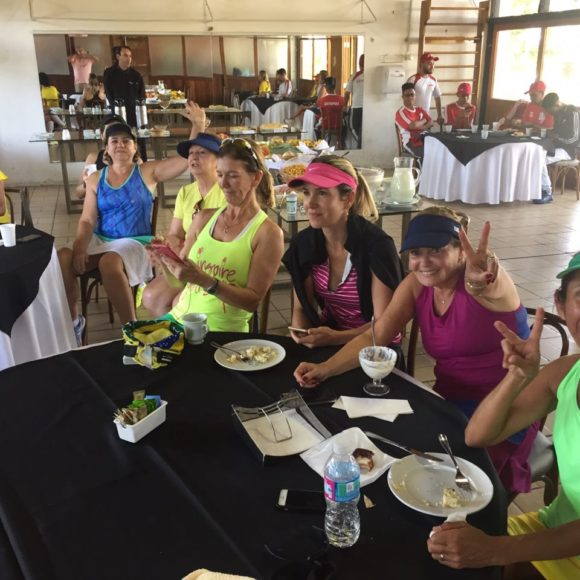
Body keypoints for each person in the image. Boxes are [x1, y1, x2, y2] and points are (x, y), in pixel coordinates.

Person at [294, 207, 538, 494]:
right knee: (396, 453)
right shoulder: (416, 285)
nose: (423, 262)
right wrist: (324, 369)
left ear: (461, 251)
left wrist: (477, 280)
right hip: (448, 402)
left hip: (506, 409)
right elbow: (376, 335)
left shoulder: (486, 282)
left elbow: (485, 284)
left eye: (435, 250)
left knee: (452, 483)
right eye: (415, 252)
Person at [427, 252, 580, 578]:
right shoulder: (566, 372)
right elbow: (477, 435)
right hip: (554, 530)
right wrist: (516, 377)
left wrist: (493, 550)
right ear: (561, 305)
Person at [58, 102, 206, 345]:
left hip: (136, 243)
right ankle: (75, 322)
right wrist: (80, 247)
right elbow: (87, 219)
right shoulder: (95, 179)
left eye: (126, 141)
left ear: (135, 147)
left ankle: (131, 329)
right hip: (103, 240)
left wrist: (197, 126)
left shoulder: (147, 172)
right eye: (114, 141)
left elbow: (183, 160)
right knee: (63, 256)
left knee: (109, 261)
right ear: (106, 149)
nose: (120, 145)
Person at [153, 138, 284, 332]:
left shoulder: (267, 233)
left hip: (221, 331)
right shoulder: (204, 218)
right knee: (130, 345)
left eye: (233, 176)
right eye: (220, 174)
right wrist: (164, 260)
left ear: (256, 178)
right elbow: (180, 281)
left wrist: (205, 281)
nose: (223, 184)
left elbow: (252, 302)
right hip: (181, 319)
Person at [282, 156, 404, 353]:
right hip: (328, 339)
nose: (310, 203)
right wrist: (302, 334)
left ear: (347, 199)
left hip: (376, 347)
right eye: (306, 192)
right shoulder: (304, 244)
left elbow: (385, 325)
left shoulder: (377, 246)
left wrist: (336, 338)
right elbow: (301, 308)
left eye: (322, 193)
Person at [142, 133, 226, 316]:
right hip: (186, 261)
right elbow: (175, 233)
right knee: (150, 296)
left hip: (214, 266)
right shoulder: (186, 192)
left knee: (178, 303)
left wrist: (186, 248)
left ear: (218, 161)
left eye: (202, 153)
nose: (194, 157)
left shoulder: (226, 190)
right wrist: (164, 248)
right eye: (191, 153)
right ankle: (173, 333)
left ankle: (190, 331)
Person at [534, 92, 580, 205]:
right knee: (535, 154)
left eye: (550, 111)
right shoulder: (558, 113)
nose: (549, 113)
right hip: (555, 147)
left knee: (540, 159)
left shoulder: (573, 113)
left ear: (556, 104)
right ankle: (536, 188)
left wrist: (556, 138)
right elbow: (556, 133)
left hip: (568, 150)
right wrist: (548, 133)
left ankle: (546, 192)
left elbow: (574, 139)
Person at [74, 114, 128, 199]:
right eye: (109, 132)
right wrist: (87, 184)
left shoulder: (134, 160)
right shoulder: (93, 158)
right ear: (102, 135)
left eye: (118, 132)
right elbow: (79, 194)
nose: (113, 136)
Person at [103, 45, 145, 130]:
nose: (129, 58)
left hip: (134, 112)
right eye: (125, 55)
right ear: (118, 56)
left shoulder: (136, 75)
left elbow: (141, 94)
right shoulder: (109, 73)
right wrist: (115, 109)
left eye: (130, 56)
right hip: (117, 111)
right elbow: (108, 93)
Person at [395, 82, 433, 158]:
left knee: (439, 148)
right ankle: (422, 165)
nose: (410, 97)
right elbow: (412, 126)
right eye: (407, 95)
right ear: (403, 97)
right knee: (427, 154)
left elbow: (431, 122)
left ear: (415, 96)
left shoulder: (419, 109)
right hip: (411, 141)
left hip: (424, 137)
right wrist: (424, 120)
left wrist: (421, 126)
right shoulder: (400, 112)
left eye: (412, 95)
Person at [408, 53, 443, 126]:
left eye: (433, 64)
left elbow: (437, 97)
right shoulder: (413, 80)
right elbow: (407, 100)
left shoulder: (433, 80)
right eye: (429, 64)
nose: (432, 67)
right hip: (413, 120)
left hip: (426, 119)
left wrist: (439, 115)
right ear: (422, 64)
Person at [344, 54, 364, 147]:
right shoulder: (355, 75)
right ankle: (361, 143)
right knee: (357, 128)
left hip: (360, 107)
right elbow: (347, 93)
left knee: (357, 128)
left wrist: (344, 106)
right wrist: (345, 105)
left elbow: (347, 93)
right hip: (359, 106)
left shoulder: (355, 75)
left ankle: (360, 144)